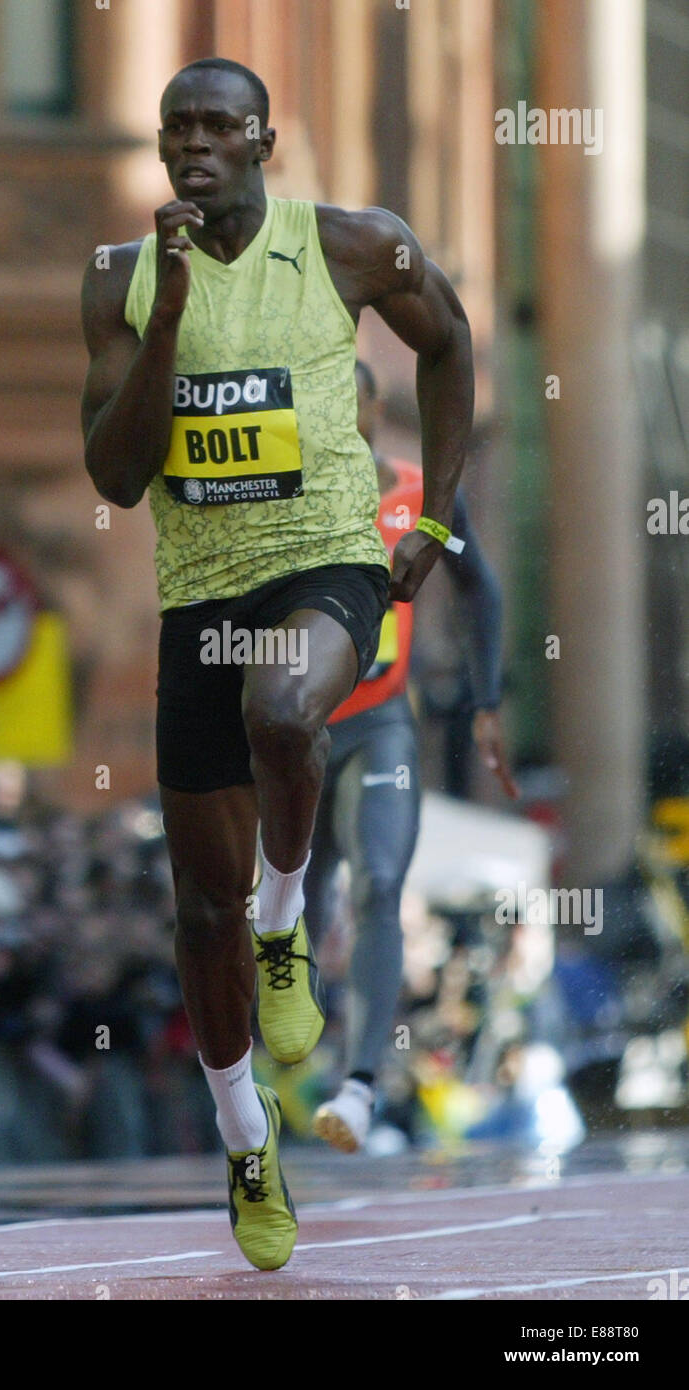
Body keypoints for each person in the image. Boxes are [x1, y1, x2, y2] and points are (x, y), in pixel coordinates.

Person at [80, 57, 474, 1271]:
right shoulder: (119, 281)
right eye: (172, 131)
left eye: (214, 127)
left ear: (260, 140)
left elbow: (451, 343)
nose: (190, 147)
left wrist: (435, 520)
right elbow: (112, 474)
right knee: (199, 908)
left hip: (324, 566)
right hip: (195, 592)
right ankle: (246, 1136)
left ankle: (289, 916)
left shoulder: (354, 245)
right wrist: (169, 321)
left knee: (287, 712)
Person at [308, 359, 517, 1153]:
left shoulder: (417, 496)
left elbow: (481, 589)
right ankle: (262, 1070)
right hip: (296, 730)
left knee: (380, 883)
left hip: (379, 724)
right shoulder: (280, 499)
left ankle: (360, 1085)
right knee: (293, 896)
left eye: (345, 402)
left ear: (371, 407)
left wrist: (486, 698)